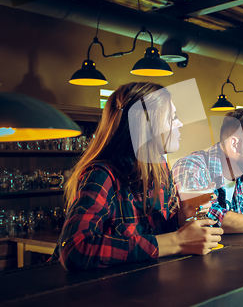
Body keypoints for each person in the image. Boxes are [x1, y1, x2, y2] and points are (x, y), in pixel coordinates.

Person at [51, 82, 223, 271]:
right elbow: (74, 249)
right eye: (172, 117)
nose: (180, 123)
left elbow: (153, 232)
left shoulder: (159, 168)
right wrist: (176, 241)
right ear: (147, 124)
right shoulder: (102, 174)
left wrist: (181, 219)